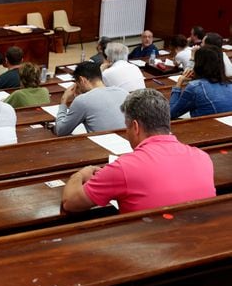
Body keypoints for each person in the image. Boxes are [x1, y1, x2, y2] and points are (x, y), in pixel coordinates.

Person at [61, 88, 215, 214]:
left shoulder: (124, 168)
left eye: (126, 127)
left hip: (149, 246)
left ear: (135, 127)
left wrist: (80, 175)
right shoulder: (202, 157)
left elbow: (70, 203)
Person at [55, 61, 127, 136]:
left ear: (82, 80)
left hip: (101, 145)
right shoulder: (123, 92)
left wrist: (64, 100)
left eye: (77, 84)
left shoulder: (82, 100)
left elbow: (60, 130)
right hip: (127, 142)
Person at [170, 45, 232, 119]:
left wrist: (179, 83)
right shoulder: (229, 83)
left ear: (198, 63)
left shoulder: (195, 87)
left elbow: (170, 114)